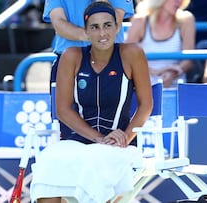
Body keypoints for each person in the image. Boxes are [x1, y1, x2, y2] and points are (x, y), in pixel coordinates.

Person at [30, 2, 153, 203]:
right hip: (77, 141)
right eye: (94, 27)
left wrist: (124, 138)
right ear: (86, 31)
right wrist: (98, 138)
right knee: (49, 159)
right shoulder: (71, 56)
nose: (102, 33)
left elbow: (146, 105)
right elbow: (62, 110)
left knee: (97, 160)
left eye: (107, 25)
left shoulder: (132, 54)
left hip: (119, 144)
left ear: (117, 27)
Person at [42, 0, 134, 139]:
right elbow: (59, 23)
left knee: (115, 133)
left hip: (111, 60)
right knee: (70, 137)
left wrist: (95, 34)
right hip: (69, 63)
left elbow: (114, 22)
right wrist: (94, 35)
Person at [125, 0, 196, 88]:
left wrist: (173, 73)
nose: (179, 2)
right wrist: (156, 72)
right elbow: (127, 58)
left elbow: (188, 60)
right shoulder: (140, 21)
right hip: (145, 88)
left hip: (176, 87)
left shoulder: (186, 20)